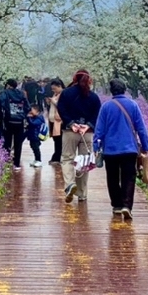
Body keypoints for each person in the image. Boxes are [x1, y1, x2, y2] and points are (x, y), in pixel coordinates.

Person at [93, 78, 148, 221]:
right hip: (129, 149)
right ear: (125, 89)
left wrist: (96, 146)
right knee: (129, 178)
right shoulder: (133, 105)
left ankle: (117, 205)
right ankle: (127, 206)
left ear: (112, 91)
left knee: (112, 178)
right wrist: (146, 146)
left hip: (110, 150)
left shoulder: (106, 107)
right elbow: (141, 128)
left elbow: (99, 130)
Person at [56, 70, 101, 203]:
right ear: (89, 80)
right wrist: (88, 125)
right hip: (87, 134)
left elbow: (61, 109)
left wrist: (71, 123)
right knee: (84, 162)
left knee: (67, 159)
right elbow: (97, 113)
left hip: (70, 132)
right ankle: (82, 193)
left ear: (75, 78)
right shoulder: (93, 96)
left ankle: (70, 184)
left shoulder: (66, 93)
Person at [0, 79, 29, 170]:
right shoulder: (21, 94)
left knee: (7, 142)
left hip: (8, 121)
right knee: (18, 143)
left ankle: (6, 163)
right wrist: (23, 115)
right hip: (19, 122)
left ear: (8, 85)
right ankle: (17, 164)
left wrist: (1, 114)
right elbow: (27, 107)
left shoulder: (5, 93)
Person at [45, 77, 65, 165]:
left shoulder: (64, 94)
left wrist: (53, 101)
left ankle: (58, 157)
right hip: (53, 120)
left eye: (54, 88)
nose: (53, 91)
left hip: (59, 122)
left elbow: (62, 106)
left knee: (59, 140)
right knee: (56, 139)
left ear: (59, 86)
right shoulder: (56, 95)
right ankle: (56, 156)